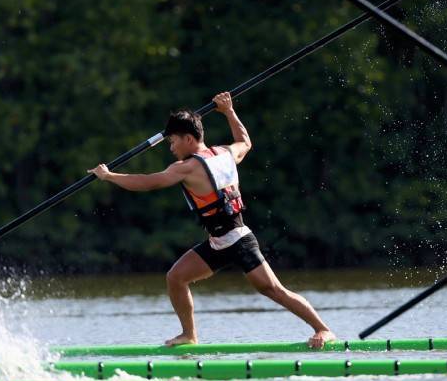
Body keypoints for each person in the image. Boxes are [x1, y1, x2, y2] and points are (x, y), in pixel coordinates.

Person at [90, 92, 336, 348]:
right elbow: (245, 141)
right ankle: (189, 335)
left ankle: (323, 329)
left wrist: (109, 176)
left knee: (273, 289)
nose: (172, 148)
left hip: (238, 240)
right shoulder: (226, 152)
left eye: (173, 142)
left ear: (188, 138)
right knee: (176, 278)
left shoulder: (186, 168)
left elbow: (148, 182)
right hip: (218, 242)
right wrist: (229, 111)